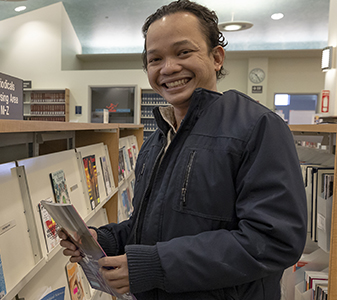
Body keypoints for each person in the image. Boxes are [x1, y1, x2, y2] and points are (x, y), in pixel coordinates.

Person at [59, 0, 307, 299]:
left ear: (217, 57)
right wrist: (104, 241)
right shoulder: (155, 142)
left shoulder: (258, 127)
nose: (169, 68)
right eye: (155, 59)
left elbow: (274, 240)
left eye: (184, 52)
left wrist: (154, 265)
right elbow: (149, 226)